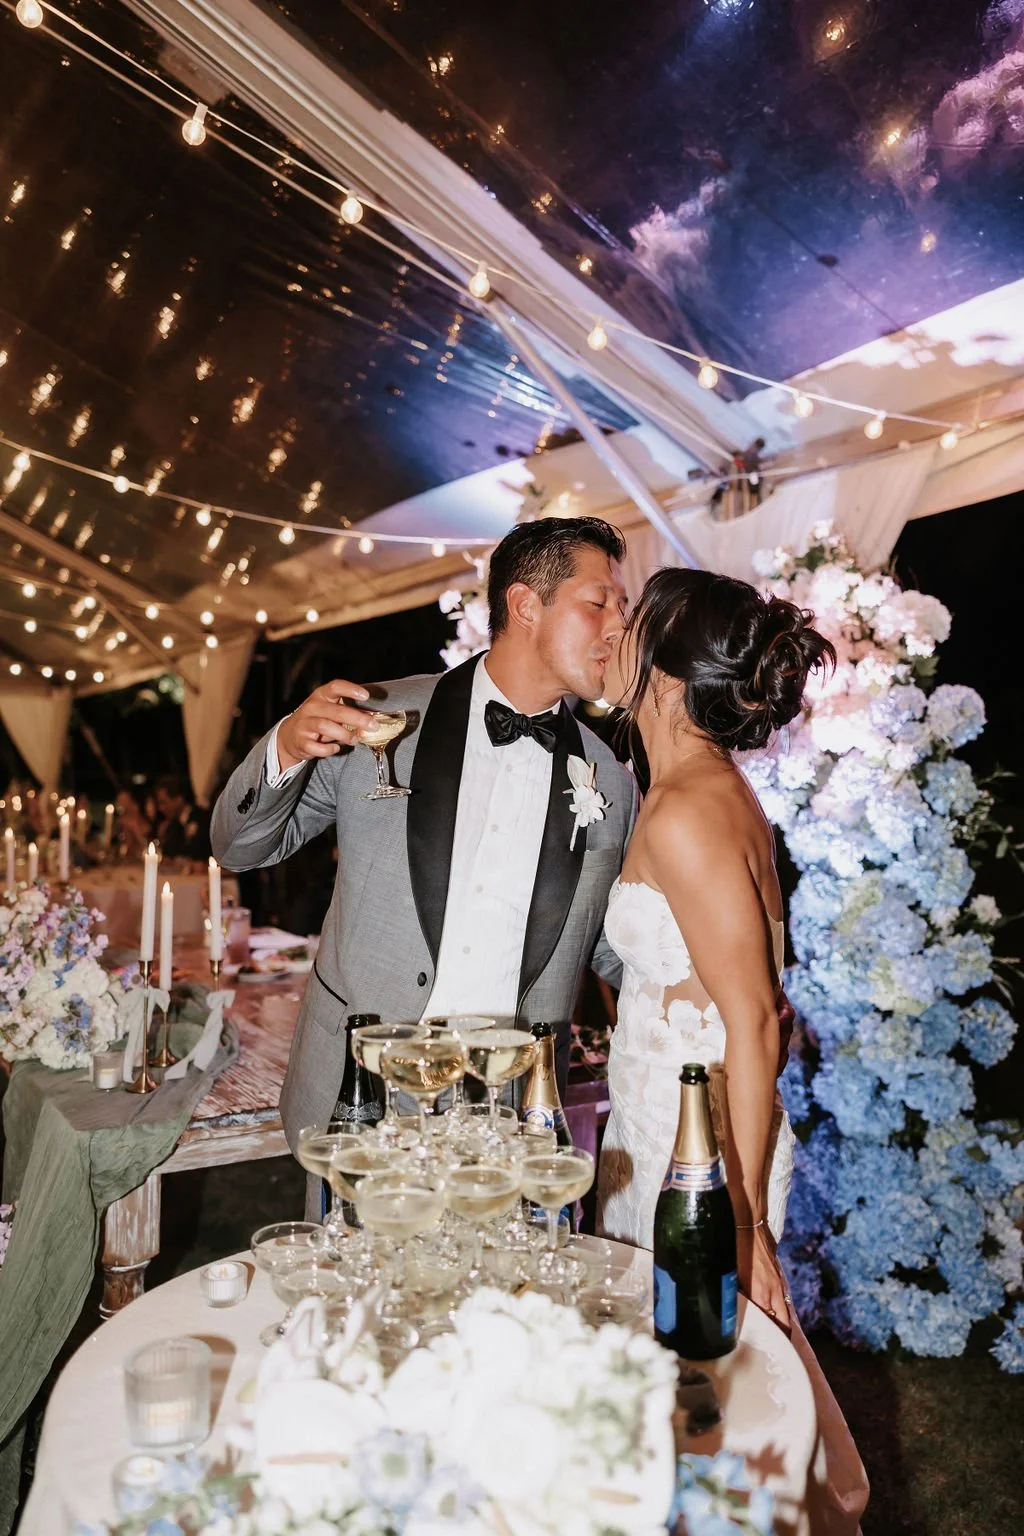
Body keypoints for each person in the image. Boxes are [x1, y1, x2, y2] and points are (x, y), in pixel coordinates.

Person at [211, 517, 636, 1209]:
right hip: (363, 1098)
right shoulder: (379, 718)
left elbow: (616, 944)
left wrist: (716, 983)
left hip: (512, 1120)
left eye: (622, 608)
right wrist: (286, 746)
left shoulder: (610, 779)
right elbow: (241, 848)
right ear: (526, 604)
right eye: (600, 602)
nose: (619, 625)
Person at [596, 567, 868, 1534]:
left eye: (630, 622)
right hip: (669, 1127)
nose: (613, 634)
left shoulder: (687, 808)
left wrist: (741, 1222)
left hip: (701, 1164)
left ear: (664, 673)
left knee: (709, 1405)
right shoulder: (691, 791)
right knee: (681, 1396)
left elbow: (755, 1018)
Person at [153, 775, 209, 862]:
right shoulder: (172, 824)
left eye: (163, 803)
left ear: (179, 799)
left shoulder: (203, 818)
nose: (161, 808)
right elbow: (168, 855)